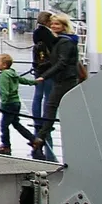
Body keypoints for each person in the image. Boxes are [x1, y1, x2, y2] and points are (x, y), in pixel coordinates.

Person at [34, 13, 81, 159]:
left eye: (57, 24)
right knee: (52, 106)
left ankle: (40, 138)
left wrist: (45, 75)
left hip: (66, 79)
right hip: (61, 79)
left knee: (51, 106)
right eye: (53, 24)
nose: (54, 26)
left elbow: (62, 62)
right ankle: (41, 138)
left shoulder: (65, 42)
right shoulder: (60, 41)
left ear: (64, 26)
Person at [0, 53, 38, 155]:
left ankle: (6, 145)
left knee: (4, 125)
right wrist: (34, 82)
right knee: (16, 124)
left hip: (8, 104)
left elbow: (5, 92)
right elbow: (23, 80)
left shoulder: (3, 76)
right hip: (16, 103)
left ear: (4, 65)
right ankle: (34, 140)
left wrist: (2, 105)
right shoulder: (13, 73)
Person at [30, 10, 55, 135]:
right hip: (48, 68)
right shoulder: (48, 34)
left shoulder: (36, 33)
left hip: (38, 67)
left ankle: (37, 121)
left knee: (37, 95)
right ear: (46, 21)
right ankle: (45, 121)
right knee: (48, 96)